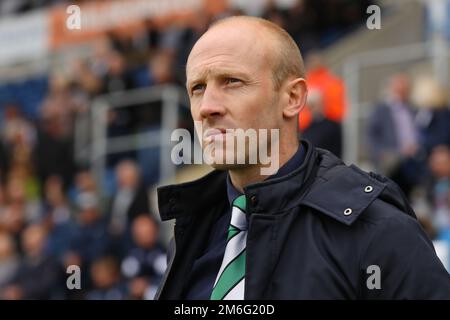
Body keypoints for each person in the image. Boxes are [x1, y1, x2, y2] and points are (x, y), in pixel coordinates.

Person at [155, 16, 450, 300]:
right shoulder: (192, 232)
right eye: (197, 88)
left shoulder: (375, 228)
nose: (207, 107)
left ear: (293, 98)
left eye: (232, 81)